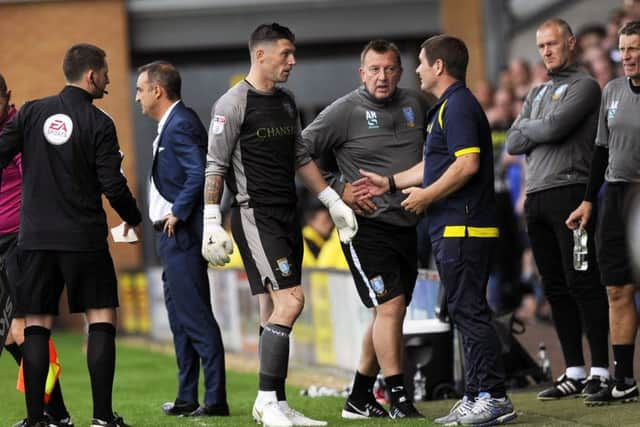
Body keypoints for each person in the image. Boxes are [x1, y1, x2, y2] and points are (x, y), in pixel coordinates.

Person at [354, 34, 516, 426]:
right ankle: (476, 393)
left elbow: (467, 164)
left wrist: (425, 197)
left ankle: (493, 396)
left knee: (469, 310)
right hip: (454, 226)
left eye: (422, 63)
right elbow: (436, 165)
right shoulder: (446, 107)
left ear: (439, 67)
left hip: (463, 225)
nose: (418, 70)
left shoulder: (457, 106)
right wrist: (389, 183)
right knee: (462, 310)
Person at [201, 23, 357, 427]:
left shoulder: (287, 101)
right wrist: (210, 220)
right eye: (285, 54)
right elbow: (215, 165)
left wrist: (331, 200)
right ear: (260, 55)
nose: (292, 61)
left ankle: (276, 403)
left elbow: (300, 157)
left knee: (271, 308)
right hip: (255, 214)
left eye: (293, 53)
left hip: (288, 214)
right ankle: (267, 400)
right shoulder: (231, 104)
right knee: (292, 302)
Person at [0, 43, 142, 427]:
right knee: (100, 319)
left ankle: (36, 420)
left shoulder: (30, 112)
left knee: (36, 326)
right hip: (83, 239)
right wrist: (134, 217)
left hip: (34, 240)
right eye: (106, 73)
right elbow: (113, 185)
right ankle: (101, 419)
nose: (109, 80)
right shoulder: (100, 123)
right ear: (91, 75)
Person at [302, 39, 428, 419]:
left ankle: (358, 397)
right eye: (374, 69)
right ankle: (399, 398)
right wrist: (337, 190)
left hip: (407, 222)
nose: (383, 76)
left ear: (400, 72)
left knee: (391, 312)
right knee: (390, 306)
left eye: (390, 68)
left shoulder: (416, 103)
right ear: (362, 73)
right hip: (366, 227)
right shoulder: (344, 111)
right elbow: (297, 150)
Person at [506, 18, 611, 400]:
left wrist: (536, 125)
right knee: (554, 287)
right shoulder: (536, 93)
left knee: (582, 281)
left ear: (571, 43)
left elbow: (549, 130)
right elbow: (513, 143)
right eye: (541, 47)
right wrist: (539, 124)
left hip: (570, 194)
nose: (546, 52)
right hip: (536, 198)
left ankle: (600, 368)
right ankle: (574, 370)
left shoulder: (585, 86)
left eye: (552, 44)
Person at [135, 61, 229, 417]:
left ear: (157, 90)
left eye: (141, 89)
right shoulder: (172, 124)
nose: (137, 97)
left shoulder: (181, 124)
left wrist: (178, 210)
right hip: (169, 237)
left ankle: (215, 400)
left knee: (196, 319)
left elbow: (201, 172)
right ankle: (187, 396)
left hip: (181, 235)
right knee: (180, 321)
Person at [566, 20, 640, 405]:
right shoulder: (611, 90)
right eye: (623, 49)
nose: (626, 56)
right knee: (616, 288)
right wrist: (588, 199)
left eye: (634, 49)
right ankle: (624, 377)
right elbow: (600, 151)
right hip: (615, 195)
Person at [0, 74, 73, 427]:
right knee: (12, 335)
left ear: (7, 97)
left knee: (20, 331)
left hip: (19, 241)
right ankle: (55, 413)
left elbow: (40, 181)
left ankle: (55, 413)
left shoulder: (21, 130)